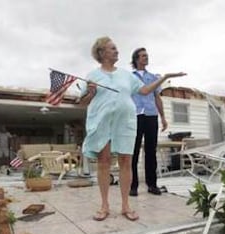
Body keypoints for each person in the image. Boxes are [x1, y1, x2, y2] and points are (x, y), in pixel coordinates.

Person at [47, 36, 186, 221]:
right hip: (102, 122)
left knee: (126, 162)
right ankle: (104, 206)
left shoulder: (126, 75)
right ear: (102, 52)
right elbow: (83, 102)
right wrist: (91, 92)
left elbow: (144, 91)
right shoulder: (92, 75)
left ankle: (126, 205)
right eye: (112, 48)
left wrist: (164, 78)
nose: (117, 51)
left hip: (125, 123)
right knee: (104, 162)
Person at [130, 48, 186, 196]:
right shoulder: (129, 77)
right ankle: (133, 185)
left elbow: (157, 98)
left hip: (151, 115)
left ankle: (152, 185)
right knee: (133, 152)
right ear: (136, 59)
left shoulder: (154, 77)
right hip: (134, 115)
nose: (146, 58)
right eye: (143, 56)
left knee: (150, 151)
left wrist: (163, 117)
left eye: (147, 56)